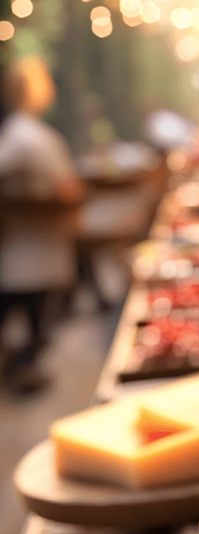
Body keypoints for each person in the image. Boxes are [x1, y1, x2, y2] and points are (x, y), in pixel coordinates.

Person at [0, 56, 83, 393]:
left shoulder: (19, 135)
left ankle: (22, 366)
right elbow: (69, 188)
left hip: (33, 248)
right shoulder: (29, 138)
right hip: (34, 249)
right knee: (36, 319)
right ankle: (21, 368)